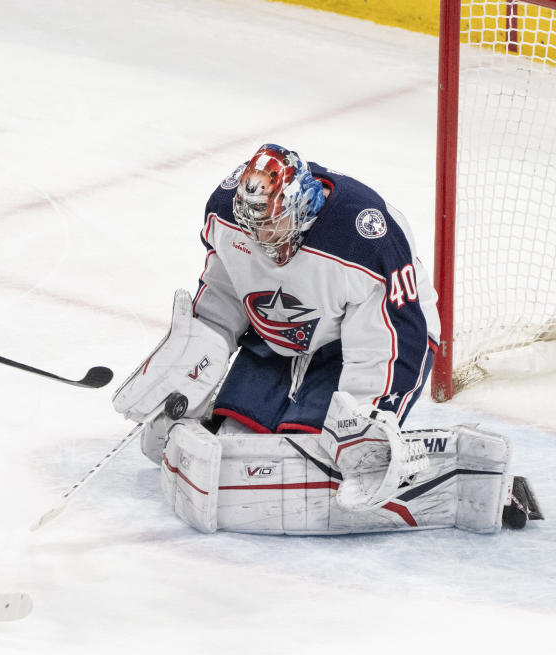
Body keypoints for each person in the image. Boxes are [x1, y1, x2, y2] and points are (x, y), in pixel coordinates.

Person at [112, 144, 542, 535]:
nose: (262, 239)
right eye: (253, 227)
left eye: (273, 224)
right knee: (235, 443)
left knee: (327, 456)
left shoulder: (365, 237)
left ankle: (445, 480)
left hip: (374, 346)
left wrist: (366, 424)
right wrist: (188, 369)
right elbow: (223, 295)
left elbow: (393, 339)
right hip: (280, 342)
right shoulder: (229, 215)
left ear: (302, 207)